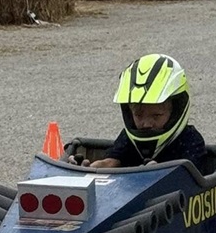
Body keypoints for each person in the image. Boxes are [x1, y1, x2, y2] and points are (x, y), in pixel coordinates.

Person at [68, 54, 207, 170]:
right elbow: (111, 161)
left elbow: (190, 181)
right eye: (139, 115)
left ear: (176, 111)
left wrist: (158, 174)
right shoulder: (129, 138)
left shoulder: (191, 141)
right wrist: (90, 168)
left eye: (156, 115)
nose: (146, 124)